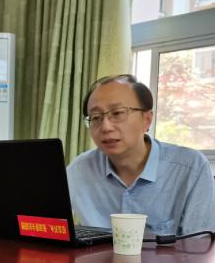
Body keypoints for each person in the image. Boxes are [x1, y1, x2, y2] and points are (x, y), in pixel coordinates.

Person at [67, 74, 215, 235]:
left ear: (147, 120)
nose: (105, 127)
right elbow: (51, 225)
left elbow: (201, 245)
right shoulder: (79, 170)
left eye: (117, 113)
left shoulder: (191, 168)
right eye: (96, 117)